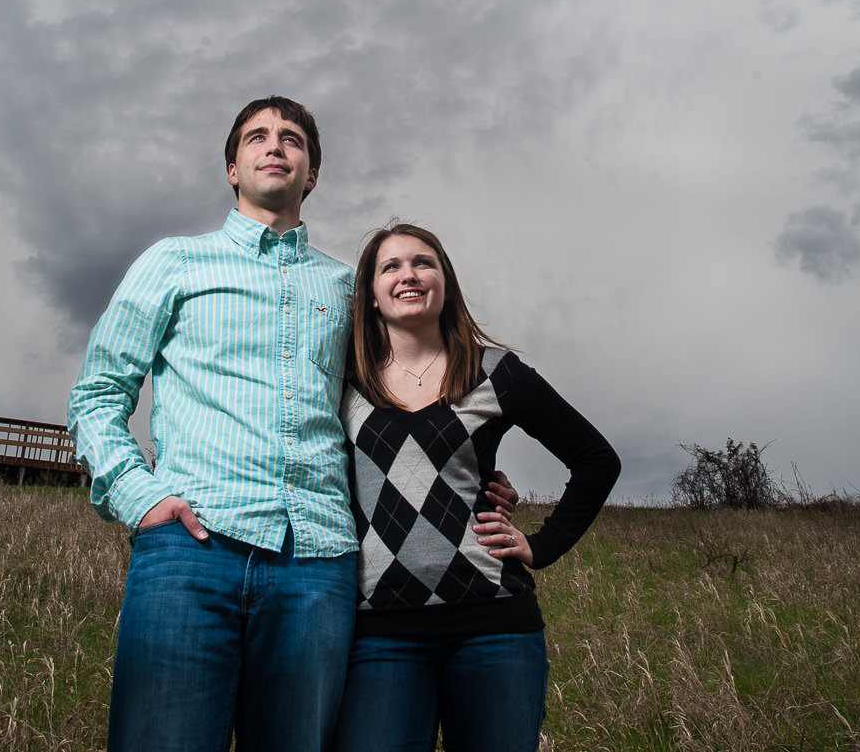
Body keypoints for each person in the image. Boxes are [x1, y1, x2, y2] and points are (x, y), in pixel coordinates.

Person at [68, 97, 519, 752]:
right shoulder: (172, 263)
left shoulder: (348, 289)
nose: (274, 144)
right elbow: (98, 393)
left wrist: (469, 474)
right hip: (191, 549)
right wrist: (140, 497)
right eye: (257, 136)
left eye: (292, 139)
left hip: (319, 566)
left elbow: (401, 401)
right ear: (232, 166)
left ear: (311, 173)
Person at [334, 223, 621, 752]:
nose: (408, 275)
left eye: (424, 263)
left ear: (446, 282)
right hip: (380, 633)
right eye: (389, 267)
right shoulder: (344, 382)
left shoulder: (495, 373)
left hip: (494, 627)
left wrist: (542, 545)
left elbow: (597, 460)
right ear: (371, 295)